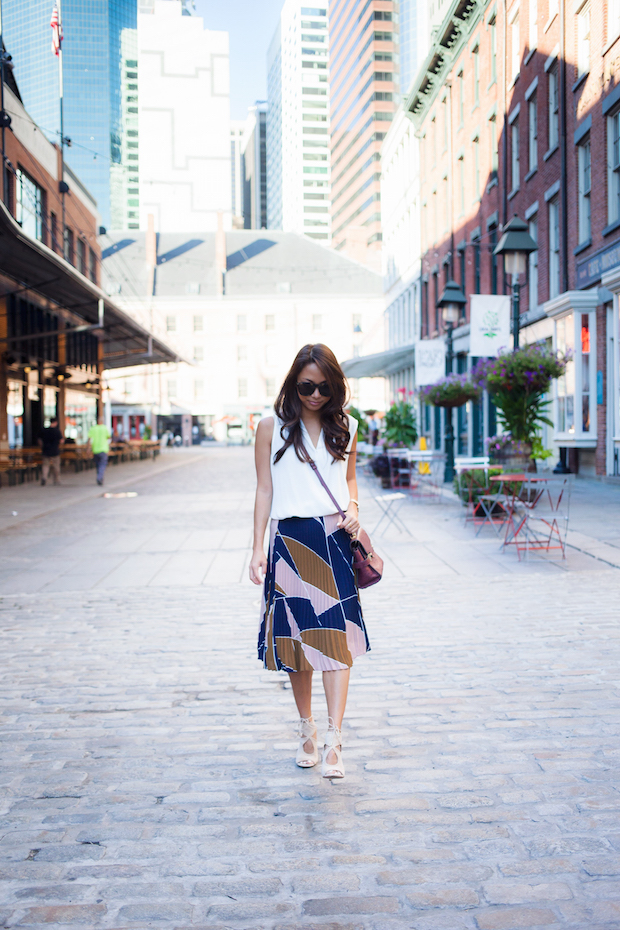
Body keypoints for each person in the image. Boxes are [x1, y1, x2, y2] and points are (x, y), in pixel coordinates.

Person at [250, 344, 370, 779]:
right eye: (306, 386)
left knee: (335, 642)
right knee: (298, 645)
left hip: (334, 537)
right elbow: (264, 490)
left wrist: (354, 506)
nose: (316, 395)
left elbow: (349, 479)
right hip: (289, 538)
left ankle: (334, 741)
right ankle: (306, 728)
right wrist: (255, 548)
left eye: (324, 387)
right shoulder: (270, 428)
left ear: (335, 386)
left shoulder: (348, 427)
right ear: (292, 384)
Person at [38, 417, 64, 486]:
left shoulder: (44, 430)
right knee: (56, 466)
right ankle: (56, 479)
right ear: (56, 422)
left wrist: (42, 447)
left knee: (45, 465)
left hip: (46, 450)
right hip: (55, 450)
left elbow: (39, 440)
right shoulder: (57, 431)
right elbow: (61, 440)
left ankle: (44, 477)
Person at [88, 415, 111, 486]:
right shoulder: (104, 428)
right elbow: (109, 437)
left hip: (95, 450)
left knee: (98, 465)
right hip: (103, 449)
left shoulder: (93, 428)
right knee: (102, 465)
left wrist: (88, 449)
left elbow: (89, 439)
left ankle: (99, 477)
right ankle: (100, 477)